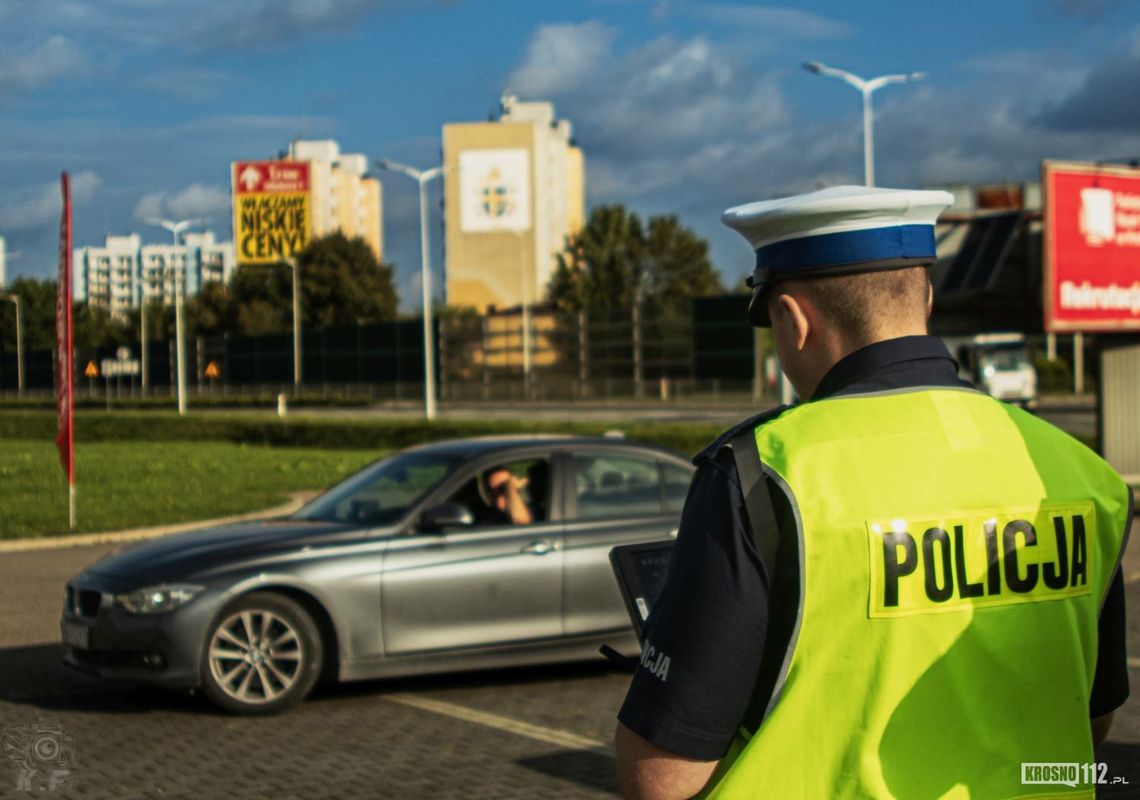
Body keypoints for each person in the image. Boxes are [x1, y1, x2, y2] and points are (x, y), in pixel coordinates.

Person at [613, 186, 1131, 799]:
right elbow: (1091, 722)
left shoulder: (759, 475)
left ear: (791, 319)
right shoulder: (1080, 473)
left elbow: (664, 776)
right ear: (926, 297)